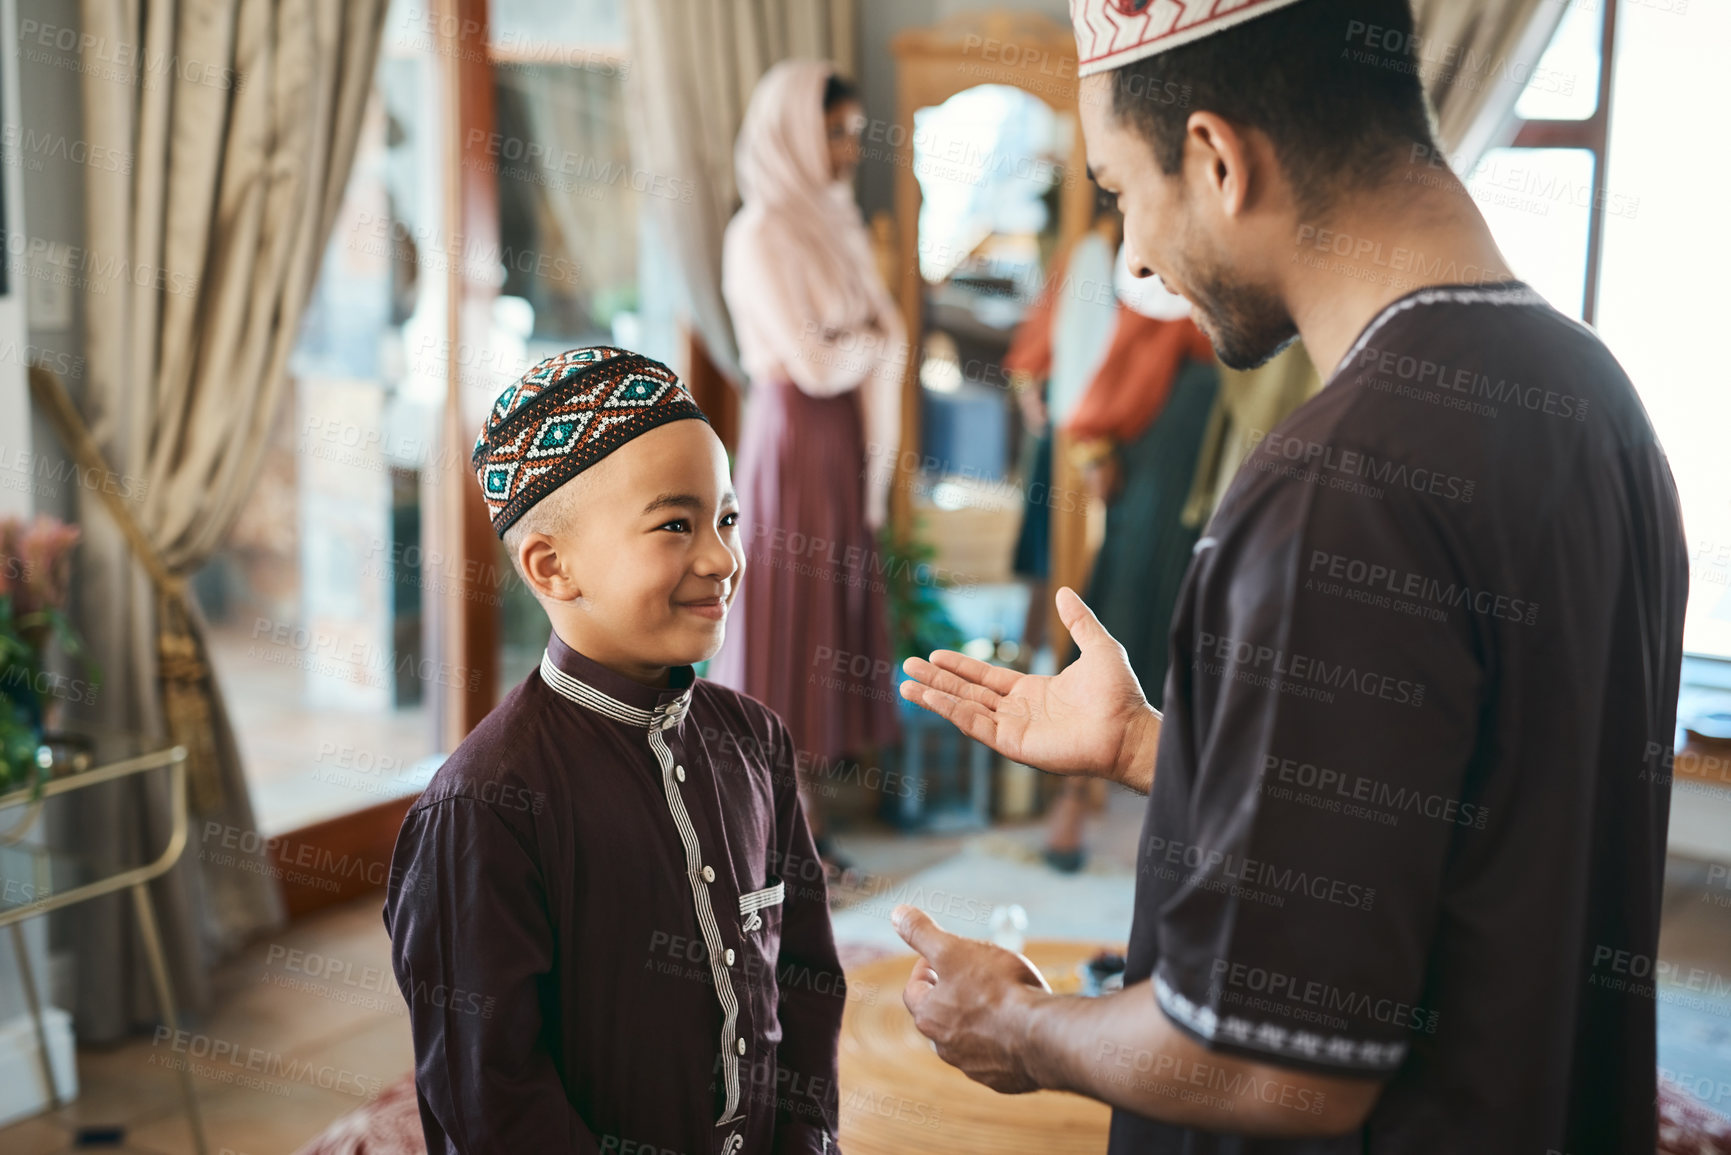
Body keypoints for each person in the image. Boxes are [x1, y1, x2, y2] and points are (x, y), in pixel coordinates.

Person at [891, 1, 1688, 1152]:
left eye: (1122, 195)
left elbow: (1273, 1063)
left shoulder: (1340, 486)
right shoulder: (1594, 397)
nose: (1140, 258)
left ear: (1215, 158)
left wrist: (1021, 1024)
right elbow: (1458, 831)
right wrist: (1147, 749)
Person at [384, 347, 844, 1152]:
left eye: (726, 518)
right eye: (675, 524)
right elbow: (494, 1103)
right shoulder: (483, 809)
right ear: (551, 564)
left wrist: (806, 1138)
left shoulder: (754, 741)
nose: (722, 558)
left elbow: (804, 978)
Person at [707, 60, 908, 879]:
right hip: (794, 435)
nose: (847, 150)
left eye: (854, 133)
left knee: (825, 616)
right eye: (834, 132)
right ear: (792, 131)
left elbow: (864, 333)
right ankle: (777, 832)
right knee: (785, 621)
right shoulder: (759, 233)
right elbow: (813, 357)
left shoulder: (834, 222)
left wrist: (858, 335)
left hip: (839, 439)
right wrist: (864, 338)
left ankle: (806, 826)